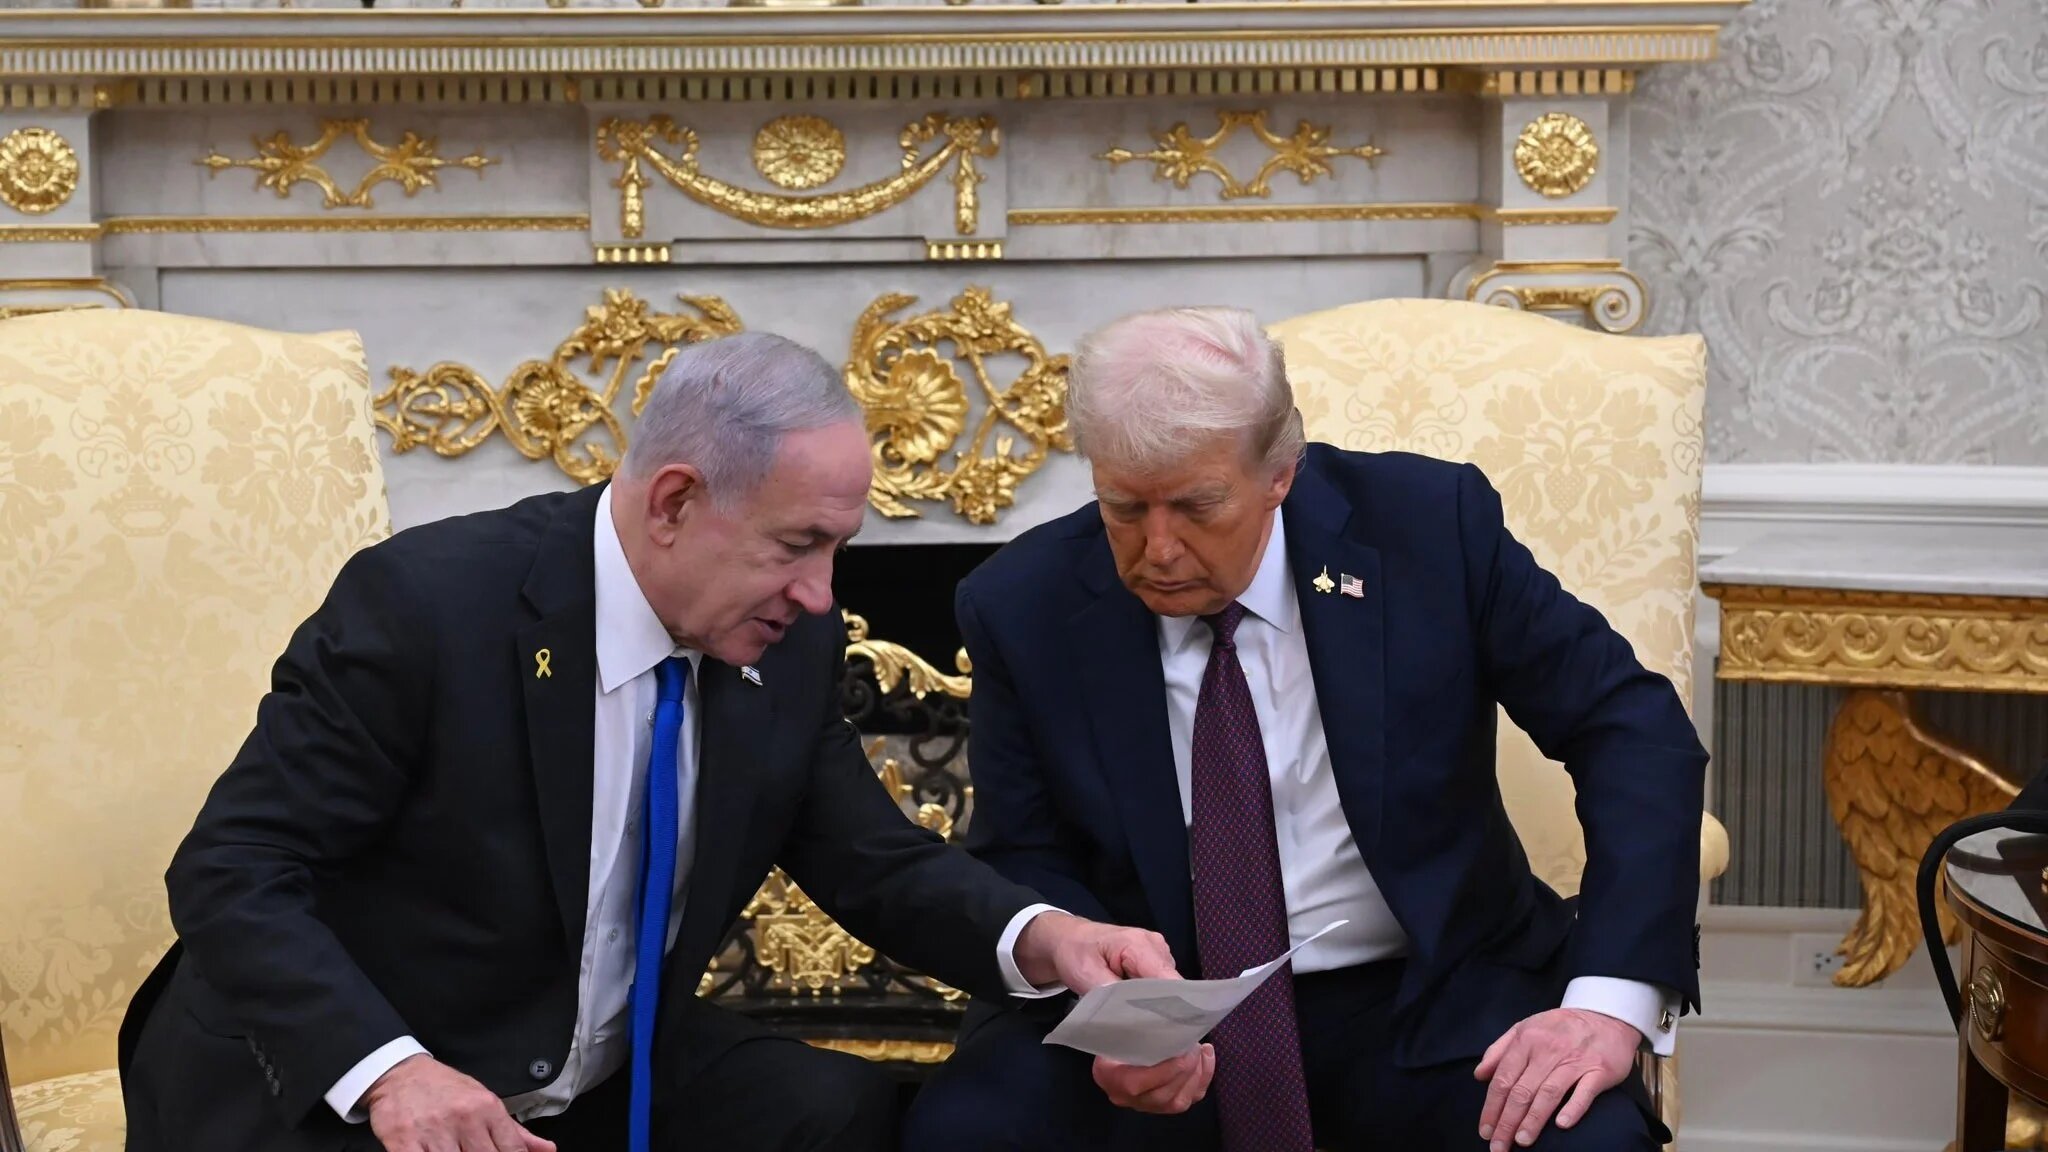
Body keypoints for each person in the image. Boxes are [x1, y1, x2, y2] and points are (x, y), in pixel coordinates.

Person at [117, 332, 1177, 1152]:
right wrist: (393, 1072)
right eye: (797, 546)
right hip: (339, 1068)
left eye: (839, 550)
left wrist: (1048, 939)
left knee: (825, 1107)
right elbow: (233, 869)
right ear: (674, 501)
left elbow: (875, 863)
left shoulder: (784, 645)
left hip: (576, 1064)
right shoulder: (432, 606)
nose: (820, 596)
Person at [902, 307, 1706, 1152]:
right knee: (966, 1132)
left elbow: (1630, 726)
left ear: (1280, 472)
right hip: (1161, 1017)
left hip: (1426, 1001)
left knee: (1589, 1144)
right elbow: (1023, 851)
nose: (1159, 548)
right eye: (1124, 508)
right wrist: (1112, 1017)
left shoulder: (1427, 529)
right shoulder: (1022, 603)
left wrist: (1606, 1005)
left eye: (1196, 506)